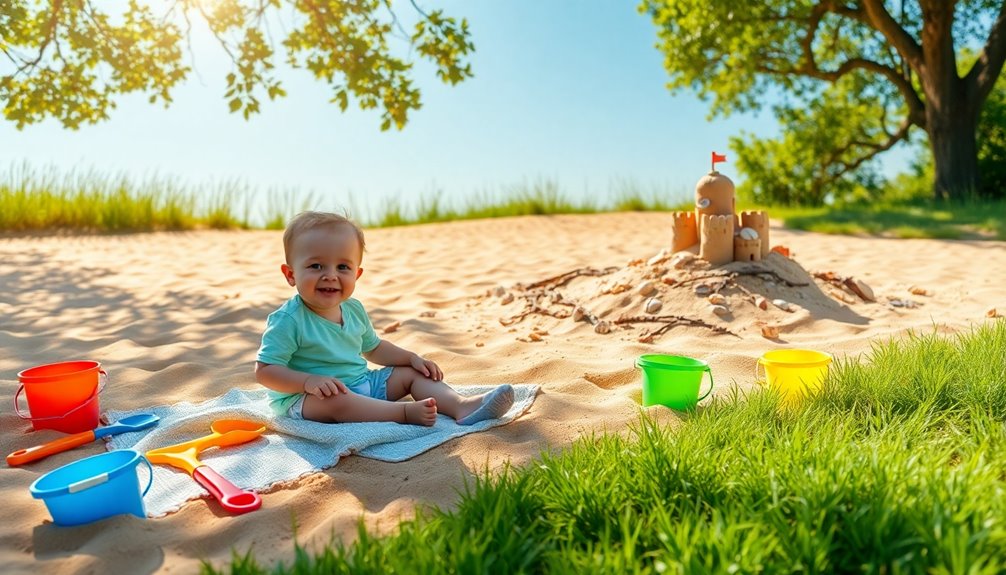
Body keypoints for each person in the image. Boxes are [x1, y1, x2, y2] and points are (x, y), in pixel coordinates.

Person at [255, 211, 514, 426]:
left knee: (411, 374)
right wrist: (308, 382)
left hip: (362, 383)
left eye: (342, 267)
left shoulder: (353, 309)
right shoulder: (289, 320)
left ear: (356, 274)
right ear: (290, 275)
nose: (330, 275)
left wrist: (411, 358)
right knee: (338, 401)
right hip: (308, 399)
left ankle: (461, 406)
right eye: (316, 266)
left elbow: (375, 348)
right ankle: (400, 414)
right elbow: (266, 371)